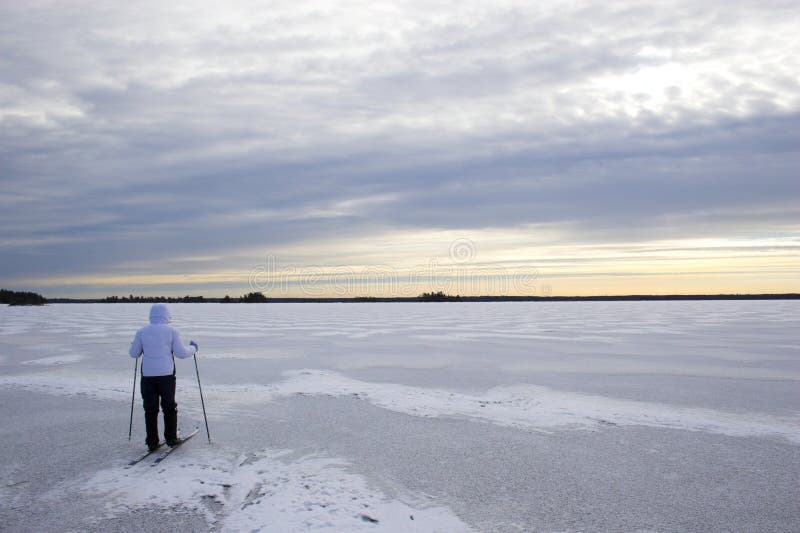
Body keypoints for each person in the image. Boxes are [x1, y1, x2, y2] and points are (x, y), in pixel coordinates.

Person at [129, 303, 198, 451]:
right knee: (169, 407)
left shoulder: (141, 332)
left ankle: (152, 441)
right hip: (166, 376)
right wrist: (193, 348)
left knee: (150, 409)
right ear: (166, 315)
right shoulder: (172, 331)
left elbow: (134, 353)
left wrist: (133, 345)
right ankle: (171, 438)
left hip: (147, 377)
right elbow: (181, 353)